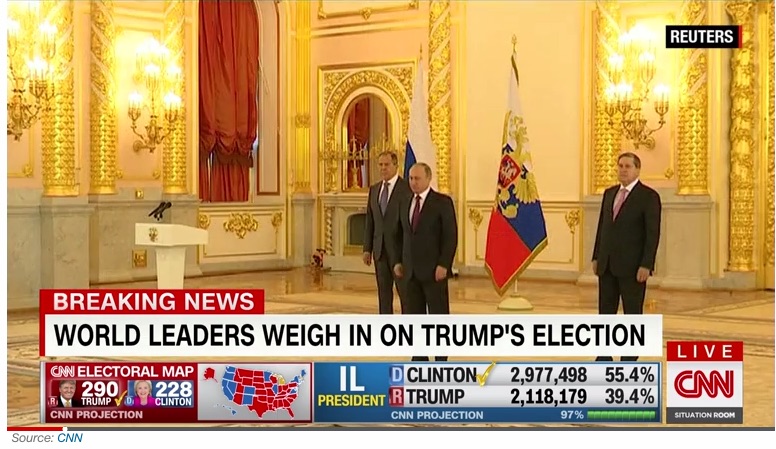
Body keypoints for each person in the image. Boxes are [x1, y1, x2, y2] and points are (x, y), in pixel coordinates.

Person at [592, 152, 662, 362]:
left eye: (628, 166)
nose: (623, 170)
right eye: (620, 166)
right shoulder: (609, 193)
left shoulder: (648, 197)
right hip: (607, 264)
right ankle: (604, 355)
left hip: (633, 267)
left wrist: (646, 264)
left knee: (632, 313)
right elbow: (602, 227)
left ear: (637, 170)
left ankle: (629, 356)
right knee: (605, 312)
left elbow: (652, 234)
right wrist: (596, 256)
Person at [391, 163, 458, 362]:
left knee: (438, 317)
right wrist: (397, 261)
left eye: (417, 178)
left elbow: (450, 236)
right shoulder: (404, 201)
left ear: (428, 179)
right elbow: (398, 234)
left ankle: (440, 358)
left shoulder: (442, 202)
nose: (413, 182)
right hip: (409, 272)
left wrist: (444, 264)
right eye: (411, 178)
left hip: (434, 271)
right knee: (413, 316)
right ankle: (419, 357)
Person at [363, 151, 412, 314]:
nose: (383, 168)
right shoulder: (374, 189)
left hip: (400, 253)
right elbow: (371, 221)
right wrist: (367, 249)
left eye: (387, 164)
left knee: (406, 295)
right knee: (384, 295)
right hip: (380, 252)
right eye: (380, 165)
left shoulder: (406, 188)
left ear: (396, 166)